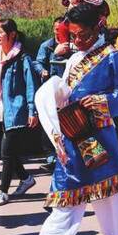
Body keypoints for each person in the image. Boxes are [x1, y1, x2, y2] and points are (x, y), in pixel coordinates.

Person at [25, 3, 118, 235]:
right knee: (68, 190)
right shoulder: (74, 58)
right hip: (72, 133)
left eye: (83, 35)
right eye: (73, 35)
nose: (77, 41)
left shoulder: (114, 57)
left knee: (108, 194)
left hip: (99, 133)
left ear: (98, 28)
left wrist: (102, 101)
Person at [0, 19, 39, 206]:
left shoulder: (22, 58)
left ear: (12, 34)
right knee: (7, 152)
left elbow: (31, 86)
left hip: (16, 112)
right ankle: (26, 179)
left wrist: (32, 110)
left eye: (0, 31)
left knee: (7, 152)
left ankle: (2, 191)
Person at [34, 17, 73, 171]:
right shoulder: (47, 46)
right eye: (57, 29)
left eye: (62, 29)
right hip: (51, 91)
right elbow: (37, 62)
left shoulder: (74, 45)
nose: (59, 32)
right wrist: (42, 70)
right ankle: (51, 156)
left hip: (67, 90)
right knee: (50, 122)